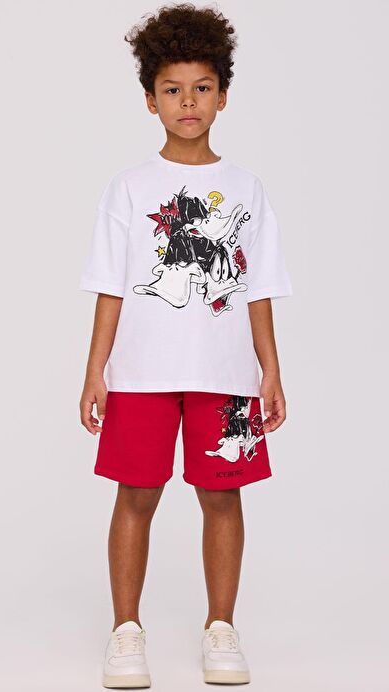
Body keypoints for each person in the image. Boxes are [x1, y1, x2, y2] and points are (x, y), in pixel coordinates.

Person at [79, 3, 293, 688]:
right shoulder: (128, 188)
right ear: (151, 100)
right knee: (135, 493)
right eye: (172, 89)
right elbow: (110, 288)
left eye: (202, 87)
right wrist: (95, 372)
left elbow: (258, 290)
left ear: (223, 95)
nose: (188, 101)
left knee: (222, 498)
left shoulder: (246, 189)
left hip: (226, 374)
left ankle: (220, 626)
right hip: (141, 373)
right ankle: (126, 631)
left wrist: (270, 372)